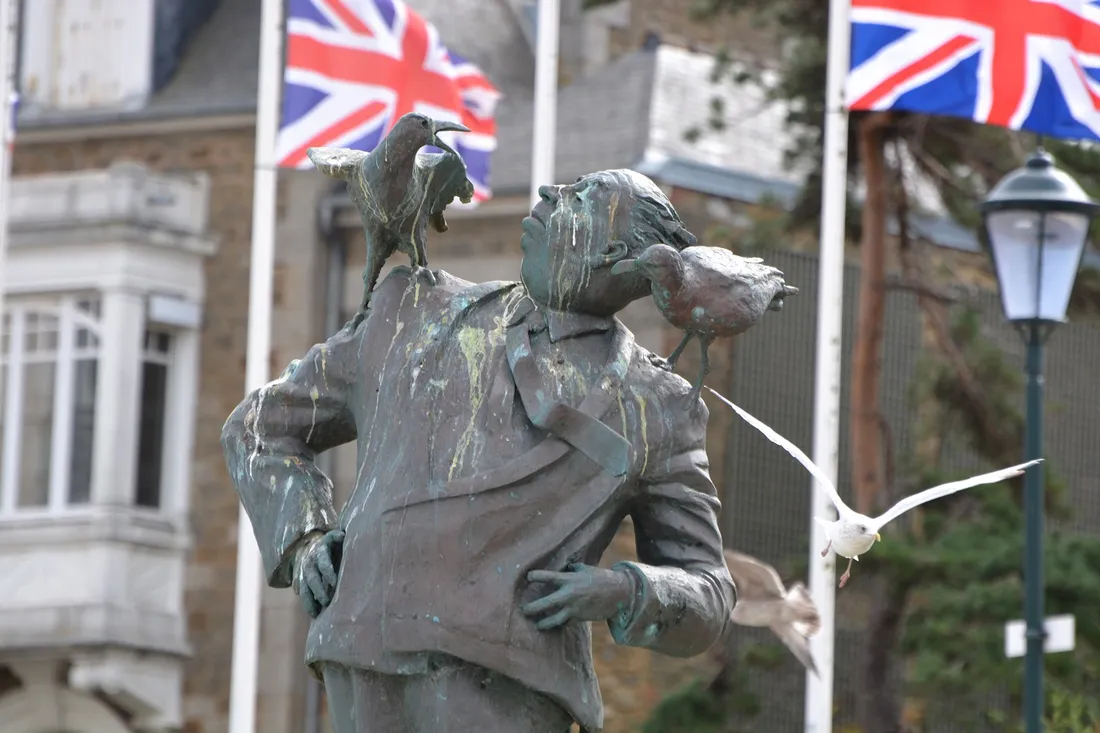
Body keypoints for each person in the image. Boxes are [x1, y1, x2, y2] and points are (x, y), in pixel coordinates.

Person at [221, 168, 736, 733]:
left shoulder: (660, 407)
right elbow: (258, 428)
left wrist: (624, 590)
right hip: (363, 645)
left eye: (582, 197)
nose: (548, 192)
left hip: (511, 675)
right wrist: (304, 537)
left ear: (613, 252)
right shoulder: (412, 312)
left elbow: (707, 592)